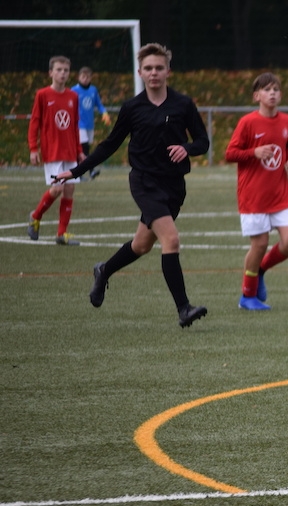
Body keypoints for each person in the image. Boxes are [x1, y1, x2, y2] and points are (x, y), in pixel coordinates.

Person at [56, 43, 209, 328]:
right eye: (148, 68)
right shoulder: (132, 108)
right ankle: (184, 309)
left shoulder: (183, 104)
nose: (154, 73)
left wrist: (187, 148)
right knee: (171, 240)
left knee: (141, 245)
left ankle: (104, 270)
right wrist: (76, 171)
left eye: (159, 68)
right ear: (140, 72)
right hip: (144, 182)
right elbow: (109, 145)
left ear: (168, 71)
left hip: (174, 185)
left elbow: (203, 141)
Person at [225, 72, 288, 311]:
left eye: (276, 89)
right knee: (259, 244)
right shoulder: (247, 123)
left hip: (280, 194)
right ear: (256, 96)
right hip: (253, 196)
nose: (272, 93)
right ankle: (247, 297)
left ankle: (261, 270)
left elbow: (287, 146)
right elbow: (230, 153)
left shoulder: (286, 120)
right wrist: (253, 153)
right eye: (267, 90)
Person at [27, 55, 85, 246]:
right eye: (59, 70)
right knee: (57, 188)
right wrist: (33, 148)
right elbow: (34, 122)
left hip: (70, 150)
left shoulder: (73, 96)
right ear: (50, 72)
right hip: (52, 150)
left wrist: (79, 150)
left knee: (69, 189)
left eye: (66, 70)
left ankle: (62, 233)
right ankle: (35, 216)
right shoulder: (42, 94)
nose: (62, 73)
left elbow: (74, 125)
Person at [71, 65, 111, 179]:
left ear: (91, 78)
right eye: (83, 77)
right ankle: (87, 171)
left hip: (90, 124)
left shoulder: (93, 90)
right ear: (79, 77)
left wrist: (104, 113)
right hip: (79, 124)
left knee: (85, 148)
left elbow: (99, 104)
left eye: (88, 77)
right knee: (84, 148)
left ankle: (80, 171)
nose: (85, 79)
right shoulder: (74, 90)